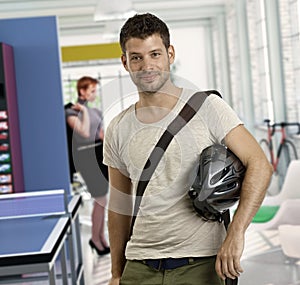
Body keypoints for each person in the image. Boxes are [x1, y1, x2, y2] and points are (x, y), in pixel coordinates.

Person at [103, 13, 273, 285]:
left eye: (155, 54)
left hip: (200, 264)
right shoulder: (118, 127)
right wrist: (115, 273)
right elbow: (119, 205)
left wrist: (236, 233)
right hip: (139, 266)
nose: (147, 65)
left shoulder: (207, 108)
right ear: (125, 62)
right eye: (136, 57)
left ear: (170, 54)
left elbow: (260, 164)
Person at [65, 76, 110, 256]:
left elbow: (101, 135)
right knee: (100, 198)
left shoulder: (97, 112)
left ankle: (100, 237)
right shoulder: (71, 112)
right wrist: (83, 111)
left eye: (95, 90)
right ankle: (96, 239)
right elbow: (83, 132)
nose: (94, 94)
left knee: (102, 199)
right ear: (82, 91)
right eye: (91, 90)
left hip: (100, 155)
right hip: (85, 157)